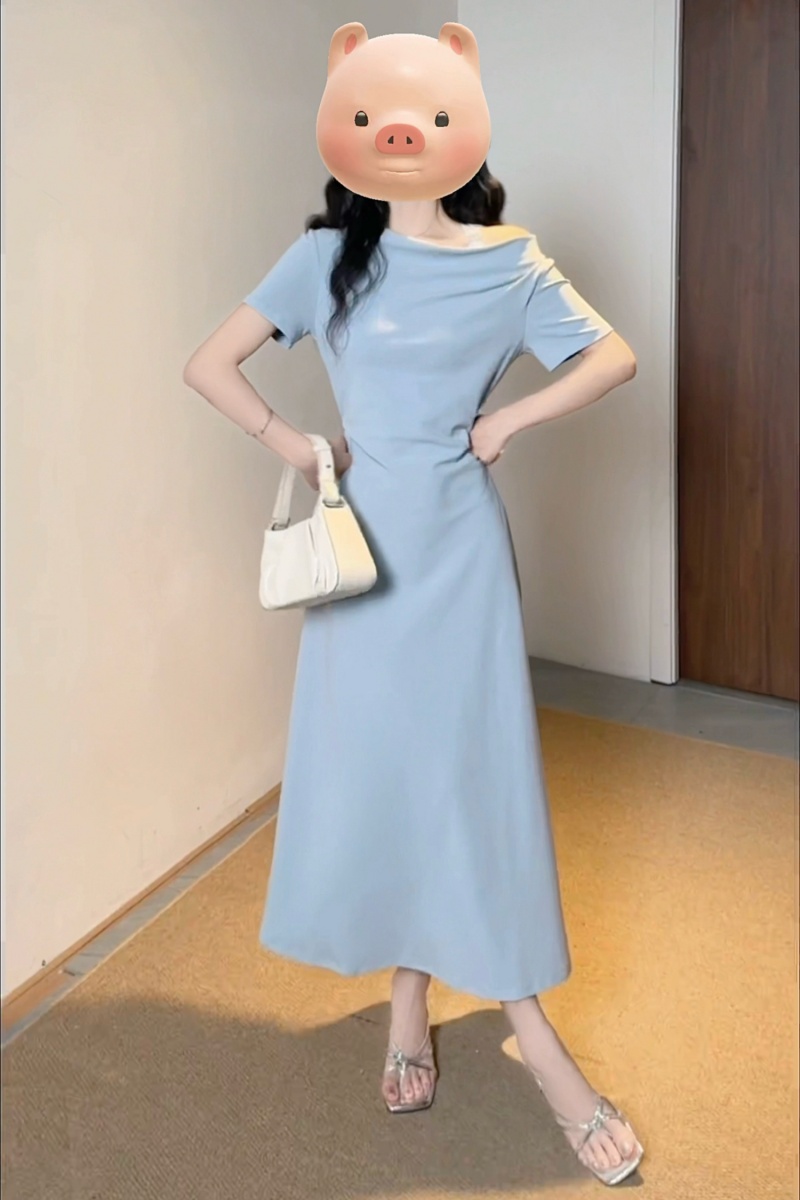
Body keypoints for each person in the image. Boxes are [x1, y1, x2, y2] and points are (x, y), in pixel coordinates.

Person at [184, 22, 643, 1188]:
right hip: (363, 558)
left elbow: (612, 357)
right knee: (389, 775)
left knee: (472, 783)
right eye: (377, 115)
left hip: (459, 559)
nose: (401, 133)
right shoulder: (324, 259)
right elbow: (209, 364)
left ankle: (529, 1031)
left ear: (463, 121)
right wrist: (301, 445)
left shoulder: (509, 263)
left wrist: (507, 420)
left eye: (431, 114)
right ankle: (407, 998)